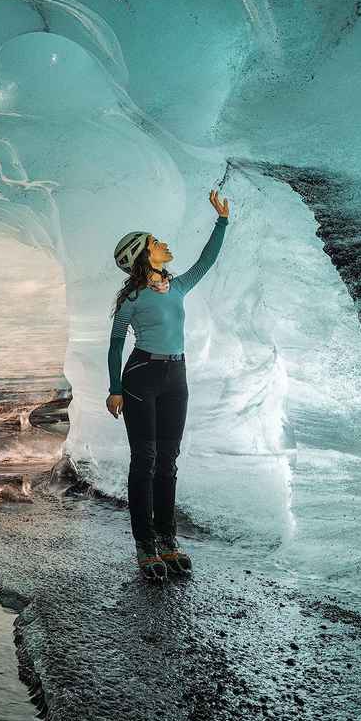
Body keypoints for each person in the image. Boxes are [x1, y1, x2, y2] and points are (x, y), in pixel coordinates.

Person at [106, 189, 231, 582]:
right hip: (142, 375)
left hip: (177, 377)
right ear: (144, 255)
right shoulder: (132, 298)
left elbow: (206, 262)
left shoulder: (176, 287)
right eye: (156, 243)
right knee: (144, 461)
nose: (164, 245)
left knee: (168, 462)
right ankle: (145, 545)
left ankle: (167, 540)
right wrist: (114, 388)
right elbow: (114, 344)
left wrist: (222, 221)